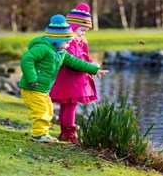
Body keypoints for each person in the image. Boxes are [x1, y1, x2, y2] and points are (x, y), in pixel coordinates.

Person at [19, 14, 108, 143]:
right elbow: (27, 59)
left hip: (42, 89)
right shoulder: (43, 48)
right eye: (67, 42)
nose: (68, 45)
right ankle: (38, 135)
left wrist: (94, 69)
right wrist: (32, 78)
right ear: (57, 40)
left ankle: (42, 133)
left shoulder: (61, 52)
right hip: (32, 87)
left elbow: (76, 62)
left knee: (48, 110)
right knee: (42, 110)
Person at [50, 3, 100, 144]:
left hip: (73, 80)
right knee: (70, 106)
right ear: (72, 28)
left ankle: (65, 132)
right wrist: (90, 67)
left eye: (85, 31)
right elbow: (73, 62)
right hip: (70, 80)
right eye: (81, 30)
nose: (83, 34)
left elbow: (84, 57)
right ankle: (69, 134)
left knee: (67, 106)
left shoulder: (80, 42)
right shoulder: (69, 43)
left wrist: (92, 63)